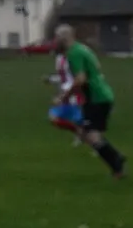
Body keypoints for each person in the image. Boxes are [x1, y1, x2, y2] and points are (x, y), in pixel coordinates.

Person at [54, 24, 126, 178]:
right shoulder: (82, 48)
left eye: (57, 38)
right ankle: (116, 162)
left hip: (96, 96)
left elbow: (80, 79)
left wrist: (64, 97)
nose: (55, 41)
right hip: (99, 94)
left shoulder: (73, 53)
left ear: (64, 38)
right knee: (88, 132)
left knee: (90, 135)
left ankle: (116, 161)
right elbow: (96, 67)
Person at [46, 40, 85, 146]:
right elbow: (63, 77)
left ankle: (89, 139)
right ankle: (79, 133)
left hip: (73, 92)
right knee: (53, 118)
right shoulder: (59, 60)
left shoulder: (72, 60)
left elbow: (78, 77)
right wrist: (51, 79)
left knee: (79, 119)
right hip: (64, 92)